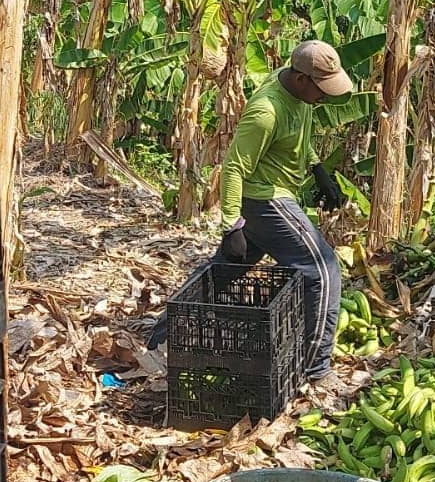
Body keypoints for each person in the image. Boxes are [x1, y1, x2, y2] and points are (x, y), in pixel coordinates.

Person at [151, 40, 353, 387]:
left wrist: (319, 168)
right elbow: (232, 168)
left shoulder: (294, 88)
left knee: (224, 270)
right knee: (323, 270)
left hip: (270, 196)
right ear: (302, 79)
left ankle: (160, 335)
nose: (325, 97)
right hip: (265, 199)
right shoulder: (266, 112)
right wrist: (232, 225)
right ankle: (317, 370)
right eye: (321, 89)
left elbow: (300, 134)